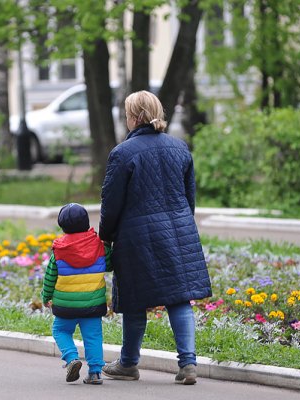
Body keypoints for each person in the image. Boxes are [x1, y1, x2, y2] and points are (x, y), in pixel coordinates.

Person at [98, 90, 212, 385]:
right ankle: (188, 365)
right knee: (178, 298)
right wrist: (181, 222)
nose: (126, 119)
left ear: (135, 117)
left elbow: (111, 202)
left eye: (127, 114)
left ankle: (128, 364)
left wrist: (106, 236)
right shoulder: (179, 147)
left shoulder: (123, 153)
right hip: (179, 231)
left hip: (136, 237)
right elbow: (189, 197)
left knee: (134, 300)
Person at [41, 203, 112, 385]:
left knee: (60, 330)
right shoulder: (98, 246)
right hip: (93, 305)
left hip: (66, 306)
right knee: (93, 337)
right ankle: (95, 373)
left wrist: (46, 296)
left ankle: (72, 358)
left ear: (62, 226)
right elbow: (110, 264)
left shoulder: (59, 250)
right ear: (87, 222)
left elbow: (50, 277)